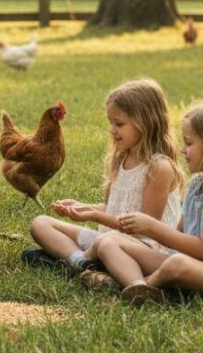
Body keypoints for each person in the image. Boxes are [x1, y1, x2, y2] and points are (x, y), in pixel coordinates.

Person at [89, 99, 203, 305]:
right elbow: (179, 233)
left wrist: (152, 227)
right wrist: (139, 242)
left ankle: (135, 288)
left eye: (189, 143)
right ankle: (140, 287)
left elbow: (202, 249)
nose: (182, 150)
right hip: (193, 264)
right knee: (111, 241)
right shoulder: (197, 185)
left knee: (177, 264)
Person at [22, 79, 183, 276]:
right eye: (110, 122)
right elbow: (114, 209)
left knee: (103, 242)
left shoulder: (159, 167)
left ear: (146, 123)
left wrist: (94, 215)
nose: (112, 129)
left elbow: (144, 229)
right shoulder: (121, 158)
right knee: (40, 224)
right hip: (108, 239)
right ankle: (81, 263)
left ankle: (74, 260)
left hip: (142, 248)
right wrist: (83, 207)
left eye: (119, 124)